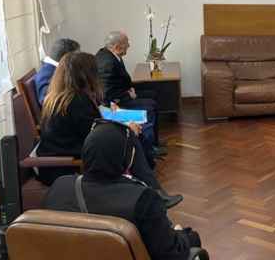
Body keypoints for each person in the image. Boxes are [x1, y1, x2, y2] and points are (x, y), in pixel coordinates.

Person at [36, 52, 182, 208]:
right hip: (65, 162)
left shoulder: (60, 97)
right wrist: (126, 129)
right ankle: (152, 191)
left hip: (65, 152)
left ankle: (151, 190)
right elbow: (96, 134)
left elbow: (93, 128)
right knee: (129, 139)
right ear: (85, 76)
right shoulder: (76, 101)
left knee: (128, 137)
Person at [43, 121, 204, 260]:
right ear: (128, 159)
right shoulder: (142, 199)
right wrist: (183, 236)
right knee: (192, 239)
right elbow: (170, 254)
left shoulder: (59, 188)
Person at [96, 31, 163, 157]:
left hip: (122, 93)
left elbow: (118, 81)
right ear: (117, 47)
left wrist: (129, 89)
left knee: (153, 94)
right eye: (126, 43)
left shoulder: (108, 53)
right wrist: (127, 94)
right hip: (115, 106)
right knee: (150, 108)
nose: (129, 46)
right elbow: (107, 94)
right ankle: (148, 150)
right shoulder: (107, 63)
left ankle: (154, 143)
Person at [33, 38, 80, 105]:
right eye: (77, 58)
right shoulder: (45, 76)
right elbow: (49, 103)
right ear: (65, 60)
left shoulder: (52, 69)